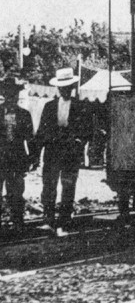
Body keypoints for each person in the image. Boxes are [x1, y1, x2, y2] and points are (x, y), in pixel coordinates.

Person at [33, 68, 91, 237]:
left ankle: (64, 222)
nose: (64, 90)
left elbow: (87, 131)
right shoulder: (49, 106)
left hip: (71, 152)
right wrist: (36, 154)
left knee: (68, 186)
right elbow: (41, 132)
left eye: (67, 87)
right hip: (53, 151)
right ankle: (48, 220)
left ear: (72, 87)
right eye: (61, 87)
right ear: (58, 88)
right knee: (49, 185)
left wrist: (78, 142)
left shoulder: (80, 106)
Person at [0, 77, 33, 232]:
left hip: (17, 160)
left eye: (14, 94)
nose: (10, 97)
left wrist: (33, 158)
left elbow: (30, 139)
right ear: (3, 94)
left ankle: (18, 224)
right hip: (0, 159)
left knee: (16, 193)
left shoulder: (24, 114)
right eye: (7, 93)